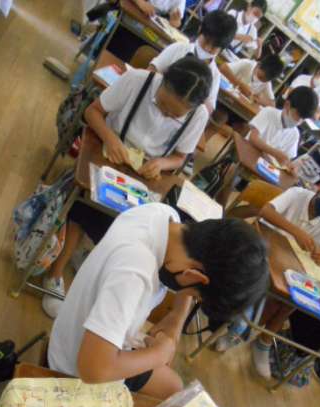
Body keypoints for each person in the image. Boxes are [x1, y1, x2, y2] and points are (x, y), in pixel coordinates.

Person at [42, 56, 212, 317]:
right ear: (162, 81)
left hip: (146, 172)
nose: (166, 114)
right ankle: (55, 273)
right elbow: (92, 112)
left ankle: (93, 260)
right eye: (163, 105)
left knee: (139, 223)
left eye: (174, 115)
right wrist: (111, 139)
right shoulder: (137, 81)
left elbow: (181, 156)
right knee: (87, 202)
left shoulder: (198, 115)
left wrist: (162, 163)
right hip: (107, 153)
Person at [47, 203, 269, 399]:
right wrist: (159, 354)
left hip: (86, 339)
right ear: (195, 276)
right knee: (168, 393)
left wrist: (177, 317)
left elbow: (187, 281)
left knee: (173, 386)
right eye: (196, 296)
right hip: (72, 369)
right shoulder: (135, 274)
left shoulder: (164, 217)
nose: (189, 297)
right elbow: (94, 370)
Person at [250, 169, 320, 379]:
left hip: (287, 264)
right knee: (276, 297)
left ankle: (262, 342)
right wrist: (297, 232)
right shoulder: (298, 195)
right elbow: (265, 211)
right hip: (263, 249)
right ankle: (241, 329)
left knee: (295, 299)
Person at [149, 11, 237, 113]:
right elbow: (151, 71)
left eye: (214, 47)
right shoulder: (178, 48)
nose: (207, 48)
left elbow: (207, 111)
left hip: (178, 118)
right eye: (206, 41)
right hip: (154, 104)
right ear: (200, 30)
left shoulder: (215, 75)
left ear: (222, 49)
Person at [248, 85, 318, 172]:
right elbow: (253, 138)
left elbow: (285, 161)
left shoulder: (295, 134)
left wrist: (291, 167)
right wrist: (275, 153)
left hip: (265, 168)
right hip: (248, 154)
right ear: (287, 105)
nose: (299, 121)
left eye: (303, 119)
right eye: (298, 116)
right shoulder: (268, 112)